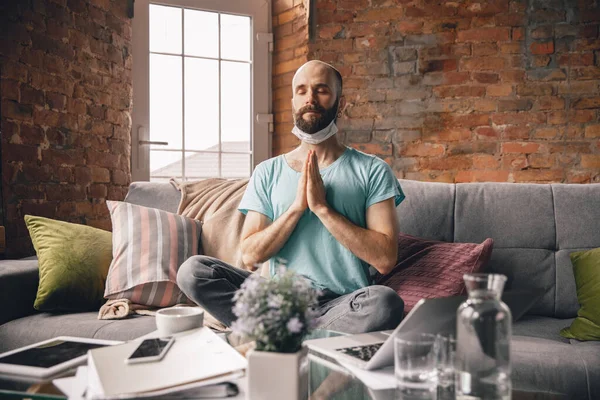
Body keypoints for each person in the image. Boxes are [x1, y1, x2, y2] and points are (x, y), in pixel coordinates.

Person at [177, 60, 405, 334]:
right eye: (301, 90)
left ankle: (277, 335)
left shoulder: (372, 170)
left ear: (340, 103)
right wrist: (296, 209)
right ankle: (296, 334)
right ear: (293, 102)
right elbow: (250, 257)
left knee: (384, 302)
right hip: (275, 300)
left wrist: (323, 209)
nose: (310, 98)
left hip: (340, 305)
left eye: (321, 90)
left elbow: (385, 258)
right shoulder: (267, 171)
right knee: (193, 271)